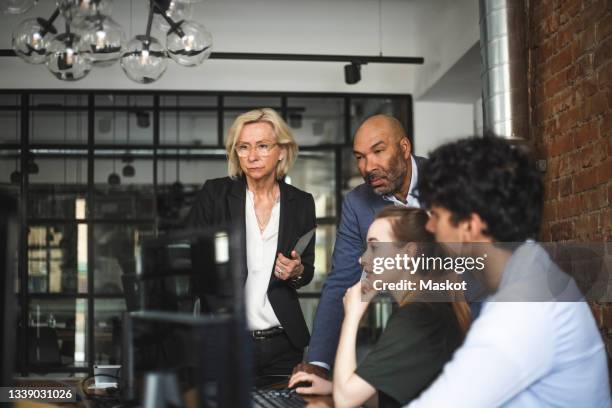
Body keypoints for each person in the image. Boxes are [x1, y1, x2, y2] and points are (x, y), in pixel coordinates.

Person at [405, 137, 611, 407]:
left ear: (470, 226)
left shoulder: (523, 309)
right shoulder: (529, 268)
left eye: (436, 215)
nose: (430, 228)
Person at [289, 207, 470, 408]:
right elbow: (393, 399)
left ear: (408, 253)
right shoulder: (427, 306)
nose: (362, 259)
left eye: (374, 247)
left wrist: (352, 316)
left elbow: (345, 401)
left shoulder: (418, 316)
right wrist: (334, 387)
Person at [185, 108, 316, 381]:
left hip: (283, 344)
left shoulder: (301, 202)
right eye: (243, 147)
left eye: (262, 146)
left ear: (281, 150)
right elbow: (188, 259)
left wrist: (297, 271)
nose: (252, 156)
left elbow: (308, 270)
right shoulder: (215, 194)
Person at [293, 115, 427, 378]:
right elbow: (343, 279)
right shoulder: (358, 202)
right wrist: (319, 364)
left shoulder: (449, 181)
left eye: (378, 151)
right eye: (360, 157)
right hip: (407, 329)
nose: (368, 167)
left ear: (404, 147)